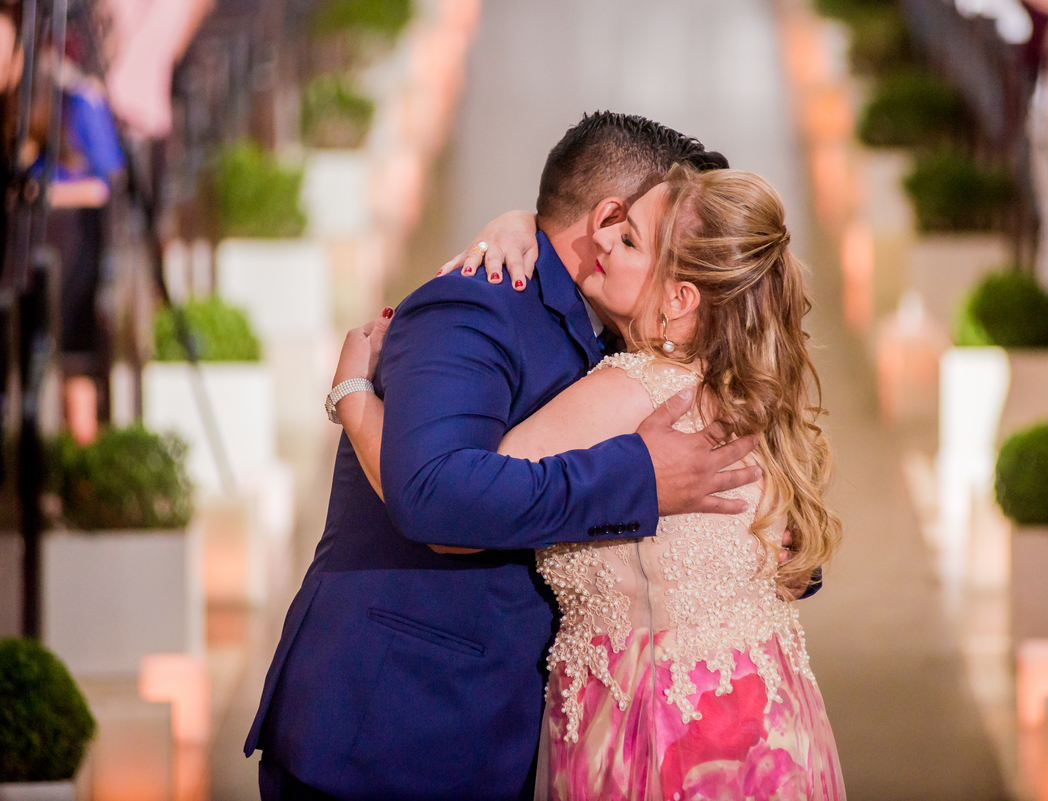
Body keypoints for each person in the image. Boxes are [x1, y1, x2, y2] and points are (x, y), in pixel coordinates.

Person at [246, 112, 778, 801]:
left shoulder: (631, 346)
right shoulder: (475, 304)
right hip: (393, 729)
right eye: (657, 233)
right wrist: (640, 479)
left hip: (528, 736)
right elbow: (434, 494)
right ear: (608, 218)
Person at [337, 164, 845, 798]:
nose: (602, 240)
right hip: (769, 725)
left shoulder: (629, 390)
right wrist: (524, 223)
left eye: (628, 239)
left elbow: (451, 513)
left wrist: (352, 395)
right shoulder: (745, 389)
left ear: (681, 298)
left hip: (663, 735)